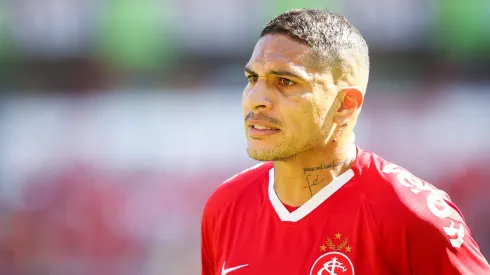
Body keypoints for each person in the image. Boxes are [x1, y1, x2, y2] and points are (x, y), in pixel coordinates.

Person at [201, 9, 490, 275]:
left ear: (345, 104)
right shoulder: (226, 207)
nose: (255, 99)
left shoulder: (413, 215)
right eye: (252, 78)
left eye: (285, 82)